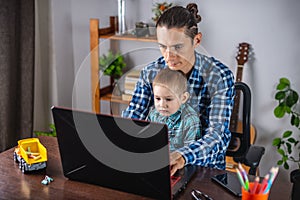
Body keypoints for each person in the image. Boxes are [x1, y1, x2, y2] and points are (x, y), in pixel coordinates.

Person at [122, 3, 235, 175]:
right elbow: (133, 117)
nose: (169, 56)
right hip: (158, 165)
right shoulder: (150, 72)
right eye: (163, 46)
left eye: (177, 47)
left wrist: (182, 156)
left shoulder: (218, 76)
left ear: (196, 40)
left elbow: (217, 135)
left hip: (204, 170)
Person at [147, 68, 201, 152]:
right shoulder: (153, 114)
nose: (162, 105)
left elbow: (190, 152)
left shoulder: (190, 120)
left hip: (179, 162)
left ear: (183, 98)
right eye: (157, 98)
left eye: (168, 99)